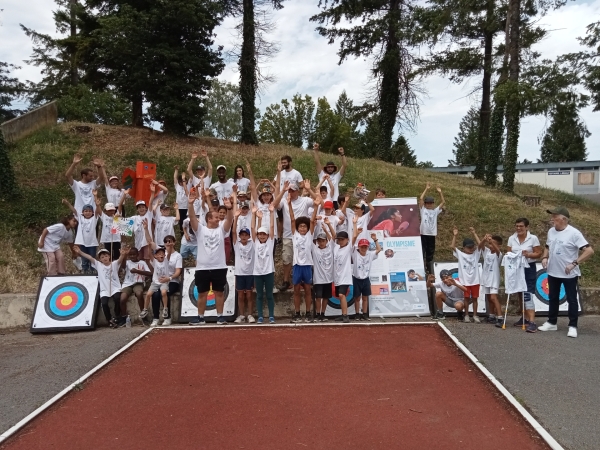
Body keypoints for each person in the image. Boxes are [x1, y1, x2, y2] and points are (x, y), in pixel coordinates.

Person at [539, 207, 594, 338]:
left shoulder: (574, 233)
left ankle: (573, 326)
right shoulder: (551, 231)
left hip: (568, 273)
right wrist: (544, 257)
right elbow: (547, 246)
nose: (552, 220)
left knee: (571, 299)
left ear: (563, 219)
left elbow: (589, 251)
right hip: (553, 271)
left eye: (554, 217)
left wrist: (575, 263)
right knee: (552, 297)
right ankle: (552, 322)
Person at [187, 187, 234, 325]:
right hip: (202, 268)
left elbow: (230, 220)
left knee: (219, 292)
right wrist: (190, 204)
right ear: (208, 219)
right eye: (215, 217)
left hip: (219, 266)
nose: (219, 218)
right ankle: (200, 318)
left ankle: (220, 317)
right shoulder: (200, 230)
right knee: (202, 293)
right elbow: (191, 218)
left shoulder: (221, 230)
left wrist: (229, 208)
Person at [273, 180, 317, 291]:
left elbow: (318, 201)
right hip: (288, 234)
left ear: (297, 191)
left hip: (304, 235)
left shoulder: (305, 200)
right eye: (289, 191)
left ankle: (305, 280)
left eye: (292, 191)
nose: (290, 193)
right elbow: (274, 205)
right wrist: (283, 191)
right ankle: (286, 281)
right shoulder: (284, 200)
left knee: (305, 257)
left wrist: (309, 189)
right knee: (286, 258)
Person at [73, 245, 129, 328]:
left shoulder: (114, 264)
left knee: (117, 298)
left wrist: (123, 254)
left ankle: (117, 315)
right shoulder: (98, 265)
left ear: (109, 256)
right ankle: (109, 319)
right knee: (104, 303)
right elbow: (89, 257)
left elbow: (120, 259)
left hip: (115, 288)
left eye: (106, 256)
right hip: (104, 289)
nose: (104, 258)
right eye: (102, 257)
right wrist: (80, 252)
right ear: (100, 259)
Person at [506, 218, 542, 332]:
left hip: (528, 268)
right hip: (516, 268)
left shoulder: (533, 238)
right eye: (517, 226)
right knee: (520, 293)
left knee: (528, 293)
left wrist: (529, 254)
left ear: (527, 227)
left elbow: (538, 253)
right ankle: (524, 318)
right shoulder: (512, 238)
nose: (518, 228)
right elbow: (508, 253)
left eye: (521, 226)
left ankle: (532, 322)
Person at [288, 195, 320, 323]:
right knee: (296, 290)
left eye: (304, 227)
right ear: (297, 228)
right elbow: (292, 219)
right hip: (297, 266)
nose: (302, 228)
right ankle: (297, 313)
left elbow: (312, 221)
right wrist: (289, 204)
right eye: (300, 226)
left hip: (307, 265)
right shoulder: (294, 234)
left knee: (307, 289)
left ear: (307, 228)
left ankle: (307, 313)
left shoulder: (309, 235)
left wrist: (316, 206)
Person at [62, 193, 101, 274]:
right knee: (83, 256)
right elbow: (74, 211)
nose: (87, 212)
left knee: (92, 257)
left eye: (89, 211)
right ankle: (85, 269)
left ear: (92, 212)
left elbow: (97, 211)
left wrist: (97, 202)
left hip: (92, 243)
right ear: (82, 212)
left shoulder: (94, 218)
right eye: (86, 211)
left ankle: (93, 270)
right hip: (83, 242)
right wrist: (68, 203)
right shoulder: (80, 218)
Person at [352, 217, 382, 320]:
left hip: (365, 279)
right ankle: (357, 314)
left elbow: (378, 249)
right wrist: (356, 229)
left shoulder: (369, 254)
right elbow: (353, 240)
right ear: (359, 247)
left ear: (367, 247)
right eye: (362, 247)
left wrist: (375, 240)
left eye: (365, 247)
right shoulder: (355, 254)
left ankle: (364, 314)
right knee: (357, 298)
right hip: (356, 279)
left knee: (365, 297)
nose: (364, 248)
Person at [139, 219, 169, 321]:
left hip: (163, 281)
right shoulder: (154, 261)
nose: (161, 255)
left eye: (162, 253)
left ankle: (165, 309)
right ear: (155, 256)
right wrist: (146, 229)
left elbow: (167, 252)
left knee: (164, 292)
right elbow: (149, 244)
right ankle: (145, 309)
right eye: (158, 254)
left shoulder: (166, 260)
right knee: (148, 294)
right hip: (155, 282)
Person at [451, 227, 482, 323]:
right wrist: (455, 235)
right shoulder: (460, 254)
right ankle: (466, 315)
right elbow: (452, 246)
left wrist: (474, 233)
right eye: (468, 247)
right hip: (465, 281)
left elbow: (481, 245)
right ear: (463, 248)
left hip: (475, 280)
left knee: (475, 298)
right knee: (466, 298)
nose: (471, 249)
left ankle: (475, 315)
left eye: (472, 247)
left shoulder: (476, 254)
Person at [151, 234, 183, 326]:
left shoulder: (177, 256)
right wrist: (146, 229)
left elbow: (178, 272)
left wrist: (169, 278)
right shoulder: (160, 254)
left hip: (172, 281)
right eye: (166, 241)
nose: (168, 243)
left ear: (174, 242)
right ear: (164, 244)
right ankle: (155, 318)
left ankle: (167, 317)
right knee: (155, 294)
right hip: (160, 281)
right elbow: (150, 242)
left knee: (164, 293)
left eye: (170, 241)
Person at [252, 204, 276, 324]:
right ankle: (260, 316)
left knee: (270, 295)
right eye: (260, 234)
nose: (261, 236)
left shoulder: (270, 242)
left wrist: (271, 213)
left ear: (267, 236)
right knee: (259, 295)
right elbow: (253, 228)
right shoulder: (255, 242)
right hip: (258, 272)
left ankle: (271, 316)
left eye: (264, 234)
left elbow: (271, 226)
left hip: (269, 272)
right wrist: (255, 216)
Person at [475, 233, 504, 327]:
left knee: (493, 298)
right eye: (490, 244)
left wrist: (491, 241)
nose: (491, 245)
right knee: (488, 298)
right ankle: (491, 316)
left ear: (498, 245)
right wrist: (484, 239)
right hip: (486, 279)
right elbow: (480, 246)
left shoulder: (499, 255)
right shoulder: (487, 251)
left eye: (493, 244)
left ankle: (500, 317)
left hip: (494, 279)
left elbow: (497, 250)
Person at [232, 208, 255, 324]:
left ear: (249, 236)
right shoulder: (236, 244)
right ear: (240, 236)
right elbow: (233, 232)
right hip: (240, 273)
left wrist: (255, 215)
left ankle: (250, 315)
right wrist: (235, 217)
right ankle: (241, 315)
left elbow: (253, 229)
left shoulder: (253, 244)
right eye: (242, 235)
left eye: (246, 235)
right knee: (240, 295)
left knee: (249, 295)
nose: (244, 237)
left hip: (250, 273)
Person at [121, 185, 155, 263]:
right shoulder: (134, 218)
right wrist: (116, 217)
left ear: (146, 208)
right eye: (139, 207)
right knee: (139, 260)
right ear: (137, 209)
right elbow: (123, 222)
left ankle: (149, 274)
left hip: (147, 242)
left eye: (143, 207)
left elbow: (150, 203)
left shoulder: (149, 215)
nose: (141, 209)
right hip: (138, 243)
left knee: (148, 259)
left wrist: (152, 193)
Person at [312, 217, 336, 322]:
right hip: (318, 279)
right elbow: (309, 237)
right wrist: (313, 223)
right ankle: (317, 314)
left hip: (328, 278)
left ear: (326, 241)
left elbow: (334, 237)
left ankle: (323, 313)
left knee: (326, 297)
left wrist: (327, 228)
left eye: (323, 241)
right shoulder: (314, 250)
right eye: (319, 241)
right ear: (317, 242)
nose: (321, 243)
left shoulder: (331, 248)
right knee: (318, 297)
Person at [119, 247, 151, 326]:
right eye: (130, 255)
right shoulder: (127, 262)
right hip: (127, 283)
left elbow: (149, 273)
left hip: (138, 282)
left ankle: (144, 316)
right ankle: (124, 318)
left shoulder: (142, 262)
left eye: (134, 254)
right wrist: (124, 256)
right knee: (122, 298)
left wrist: (137, 271)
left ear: (138, 254)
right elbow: (122, 267)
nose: (132, 256)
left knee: (139, 294)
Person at [419, 183, 445, 272]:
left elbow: (443, 202)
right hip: (423, 234)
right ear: (425, 204)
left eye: (431, 203)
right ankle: (421, 267)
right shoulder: (423, 210)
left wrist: (440, 192)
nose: (429, 204)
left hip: (432, 234)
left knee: (430, 252)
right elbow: (421, 198)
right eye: (427, 203)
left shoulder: (435, 211)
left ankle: (429, 268)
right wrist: (426, 188)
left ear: (433, 204)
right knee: (422, 251)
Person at [312, 143, 347, 208]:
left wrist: (342, 154)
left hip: (334, 201)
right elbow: (317, 163)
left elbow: (344, 165)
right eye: (328, 167)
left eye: (331, 167)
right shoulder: (322, 175)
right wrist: (316, 151)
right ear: (326, 168)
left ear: (334, 168)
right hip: (322, 200)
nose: (330, 168)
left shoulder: (337, 176)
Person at [333, 229, 353, 323]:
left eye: (342, 239)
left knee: (342, 295)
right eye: (339, 239)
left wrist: (354, 224)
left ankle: (345, 315)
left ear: (347, 240)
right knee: (340, 296)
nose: (340, 241)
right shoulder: (336, 247)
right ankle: (343, 314)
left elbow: (355, 237)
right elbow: (331, 237)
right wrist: (327, 226)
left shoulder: (349, 247)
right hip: (337, 277)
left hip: (345, 277)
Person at [173, 165, 189, 232]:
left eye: (183, 181)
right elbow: (175, 178)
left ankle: (188, 233)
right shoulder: (177, 186)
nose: (181, 183)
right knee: (181, 223)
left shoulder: (189, 185)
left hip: (187, 207)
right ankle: (182, 234)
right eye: (180, 182)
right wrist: (176, 170)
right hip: (180, 208)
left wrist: (184, 178)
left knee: (187, 222)